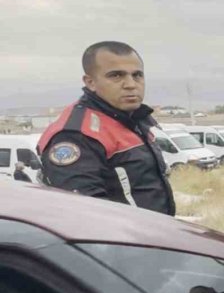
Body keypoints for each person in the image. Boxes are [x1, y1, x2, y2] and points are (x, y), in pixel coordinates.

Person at [37, 41, 174, 215]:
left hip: (157, 232)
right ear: (90, 82)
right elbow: (85, 213)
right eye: (116, 76)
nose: (131, 84)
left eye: (137, 75)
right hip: (122, 239)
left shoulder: (133, 117)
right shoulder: (75, 134)